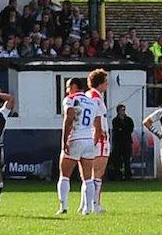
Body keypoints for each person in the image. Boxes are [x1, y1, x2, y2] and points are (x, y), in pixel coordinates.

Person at [61, 69, 109, 216]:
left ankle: (73, 206)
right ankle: (92, 205)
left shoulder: (80, 98)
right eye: (106, 82)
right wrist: (96, 140)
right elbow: (98, 123)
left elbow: (70, 118)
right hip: (92, 139)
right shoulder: (93, 98)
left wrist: (64, 140)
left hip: (80, 137)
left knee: (72, 175)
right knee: (93, 175)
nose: (108, 85)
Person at [55, 77, 87, 215]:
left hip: (75, 138)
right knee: (89, 178)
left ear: (74, 86)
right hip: (89, 140)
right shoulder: (92, 101)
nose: (67, 90)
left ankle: (63, 207)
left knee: (64, 175)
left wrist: (64, 141)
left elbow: (69, 119)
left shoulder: (70, 99)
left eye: (68, 87)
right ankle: (86, 208)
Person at [109, 104, 136, 182]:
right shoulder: (115, 120)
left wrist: (122, 129)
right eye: (122, 110)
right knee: (117, 161)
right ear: (118, 111)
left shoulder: (129, 120)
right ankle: (117, 176)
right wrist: (123, 130)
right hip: (118, 144)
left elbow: (130, 129)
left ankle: (128, 176)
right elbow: (117, 130)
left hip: (127, 143)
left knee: (127, 161)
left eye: (124, 110)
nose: (123, 111)